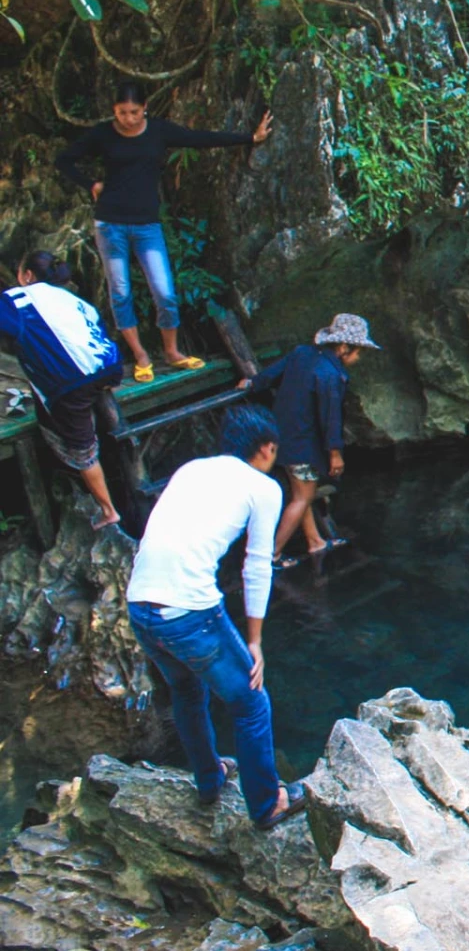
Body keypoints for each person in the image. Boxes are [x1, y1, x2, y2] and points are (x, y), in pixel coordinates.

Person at [125, 404, 305, 830]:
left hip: (141, 605)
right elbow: (257, 564)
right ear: (266, 448)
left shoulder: (192, 470)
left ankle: (210, 779)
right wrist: (256, 642)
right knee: (251, 704)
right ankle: (266, 804)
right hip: (189, 612)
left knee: (186, 692)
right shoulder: (263, 488)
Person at [54, 81, 273, 383]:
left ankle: (171, 351)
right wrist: (90, 184)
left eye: (133, 112)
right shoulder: (103, 134)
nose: (128, 119)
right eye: (121, 113)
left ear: (144, 108)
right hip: (110, 223)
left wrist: (250, 137)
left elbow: (199, 139)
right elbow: (63, 159)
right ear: (114, 111)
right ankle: (141, 355)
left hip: (147, 225)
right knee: (120, 292)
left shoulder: (158, 131)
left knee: (165, 292)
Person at [237, 313, 378, 567]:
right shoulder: (330, 375)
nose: (359, 357)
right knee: (302, 498)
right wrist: (335, 454)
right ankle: (270, 556)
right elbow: (330, 418)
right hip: (302, 446)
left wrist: (251, 383)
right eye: (359, 351)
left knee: (303, 492)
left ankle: (315, 541)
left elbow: (269, 376)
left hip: (281, 437)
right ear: (344, 348)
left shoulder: (302, 353)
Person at [0, 251, 125, 528]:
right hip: (110, 368)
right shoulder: (73, 300)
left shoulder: (19, 300)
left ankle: (108, 510)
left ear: (28, 276)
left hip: (73, 382)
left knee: (83, 450)